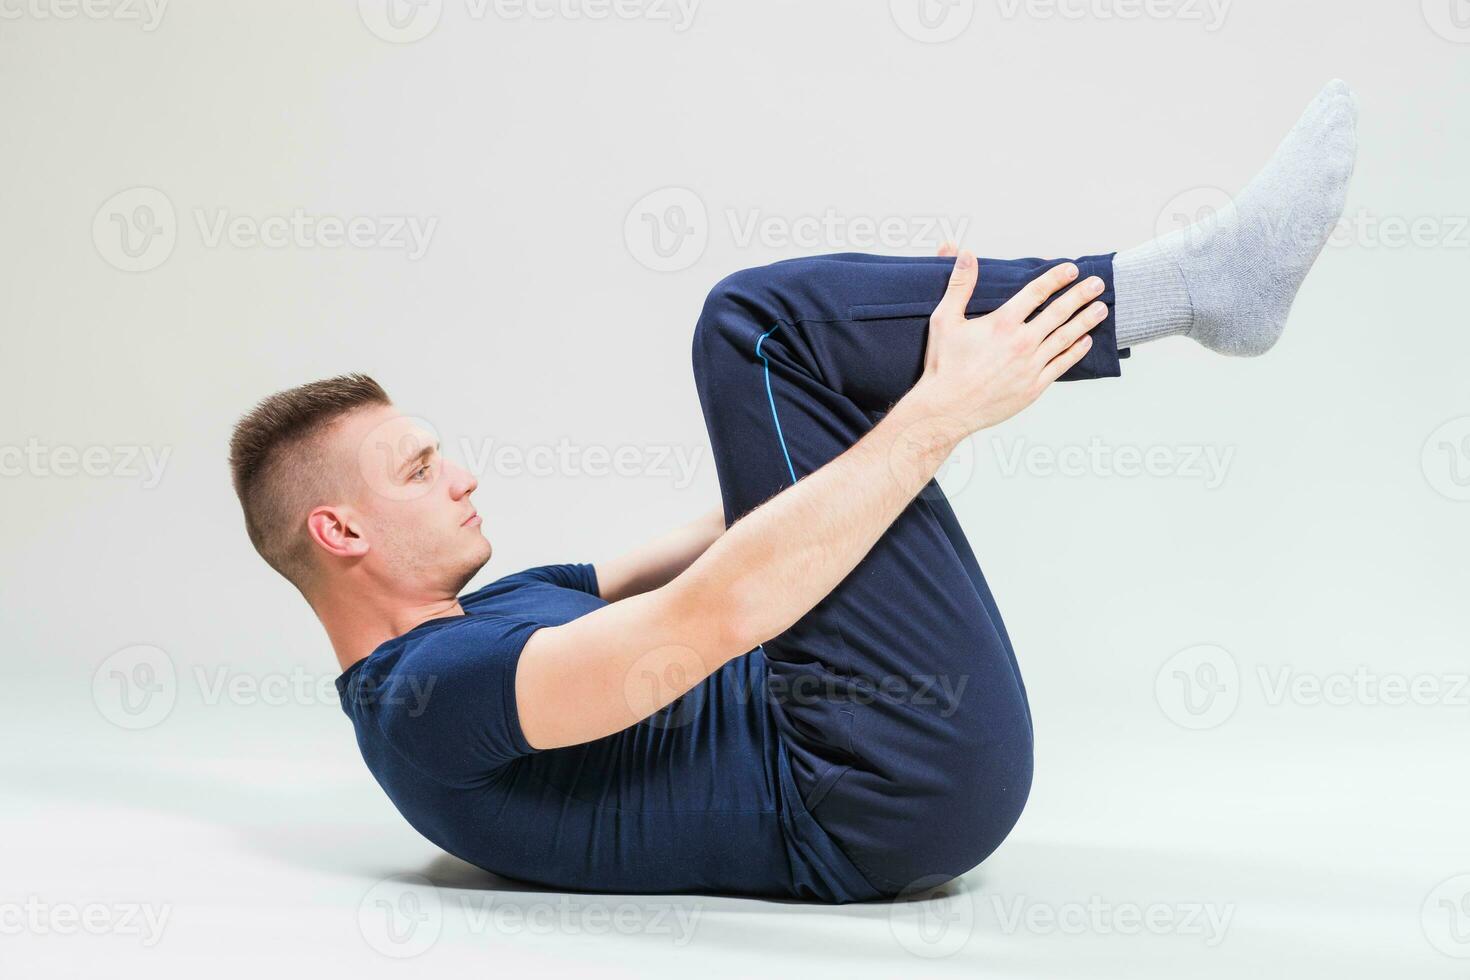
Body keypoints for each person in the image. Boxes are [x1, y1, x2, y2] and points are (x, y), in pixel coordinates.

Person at [228, 82, 1357, 902]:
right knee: (749, 325)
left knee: (791, 347)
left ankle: (1192, 288)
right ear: (341, 528)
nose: (464, 472)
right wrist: (932, 417)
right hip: (878, 783)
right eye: (422, 467)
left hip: (875, 735)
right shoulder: (429, 692)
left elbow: (713, 538)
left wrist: (890, 379)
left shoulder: (486, 614)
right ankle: (1197, 284)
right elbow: (709, 615)